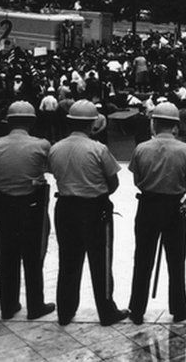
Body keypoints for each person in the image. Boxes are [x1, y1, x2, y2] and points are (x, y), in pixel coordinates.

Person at [49, 100, 130, 326]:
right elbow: (113, 183)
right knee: (100, 262)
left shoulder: (56, 148)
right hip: (94, 209)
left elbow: (55, 174)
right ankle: (106, 311)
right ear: (93, 123)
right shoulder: (98, 149)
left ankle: (65, 311)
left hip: (65, 207)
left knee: (68, 261)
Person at [127, 102, 186, 325]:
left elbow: (137, 180)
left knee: (142, 258)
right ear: (176, 127)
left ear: (155, 123)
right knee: (176, 260)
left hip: (148, 206)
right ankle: (179, 307)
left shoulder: (141, 148)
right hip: (173, 207)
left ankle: (137, 309)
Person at [0, 101, 55, 320]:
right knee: (33, 257)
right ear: (32, 121)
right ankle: (35, 305)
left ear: (9, 121)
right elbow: (52, 168)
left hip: (3, 204)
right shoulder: (42, 145)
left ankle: (8, 305)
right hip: (31, 206)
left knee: (7, 255)